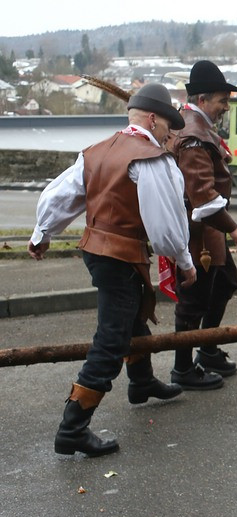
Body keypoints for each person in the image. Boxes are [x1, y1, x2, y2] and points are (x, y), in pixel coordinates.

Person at [29, 83, 197, 457]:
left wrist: (43, 232)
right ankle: (73, 427)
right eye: (168, 125)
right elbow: (166, 226)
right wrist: (184, 261)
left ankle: (141, 382)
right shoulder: (150, 159)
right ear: (152, 119)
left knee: (133, 311)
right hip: (121, 257)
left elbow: (61, 196)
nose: (170, 134)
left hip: (97, 251)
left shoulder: (96, 151)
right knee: (111, 338)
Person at [172, 60, 237, 390]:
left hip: (207, 230)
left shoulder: (195, 127)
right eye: (222, 101)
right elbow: (202, 195)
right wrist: (234, 227)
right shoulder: (193, 136)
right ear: (203, 100)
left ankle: (207, 347)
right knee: (193, 301)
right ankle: (183, 368)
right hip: (199, 234)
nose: (225, 107)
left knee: (225, 282)